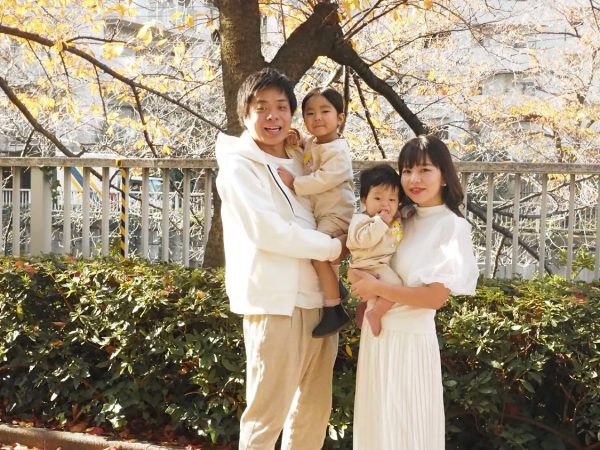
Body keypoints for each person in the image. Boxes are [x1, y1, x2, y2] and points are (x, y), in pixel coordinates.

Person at [215, 68, 346, 450]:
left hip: (320, 301)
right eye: (262, 107)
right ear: (245, 114)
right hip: (276, 304)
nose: (273, 116)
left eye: (282, 107)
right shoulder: (239, 166)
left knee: (312, 415)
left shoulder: (300, 160)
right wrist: (333, 248)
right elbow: (268, 232)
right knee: (266, 416)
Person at [349, 135, 479, 450]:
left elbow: (434, 298)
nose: (414, 179)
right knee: (376, 431)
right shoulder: (399, 216)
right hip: (377, 338)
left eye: (424, 170)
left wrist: (377, 288)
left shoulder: (451, 227)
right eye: (407, 171)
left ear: (444, 176)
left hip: (410, 343)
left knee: (406, 431)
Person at [277, 87, 355, 337]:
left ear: (339, 118)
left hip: (337, 213)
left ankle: (334, 309)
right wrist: (296, 139)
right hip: (322, 212)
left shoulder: (338, 151)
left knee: (318, 254)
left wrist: (294, 183)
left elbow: (324, 178)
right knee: (322, 255)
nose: (317, 118)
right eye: (310, 113)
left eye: (325, 111)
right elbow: (306, 153)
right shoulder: (314, 142)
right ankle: (337, 288)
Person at [346, 164, 403, 337]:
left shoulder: (391, 219)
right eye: (378, 198)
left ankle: (366, 314)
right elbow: (363, 240)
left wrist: (400, 216)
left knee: (385, 290)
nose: (385, 204)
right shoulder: (361, 220)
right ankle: (375, 314)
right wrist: (381, 222)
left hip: (378, 267)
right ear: (364, 199)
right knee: (396, 287)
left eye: (392, 200)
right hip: (367, 267)